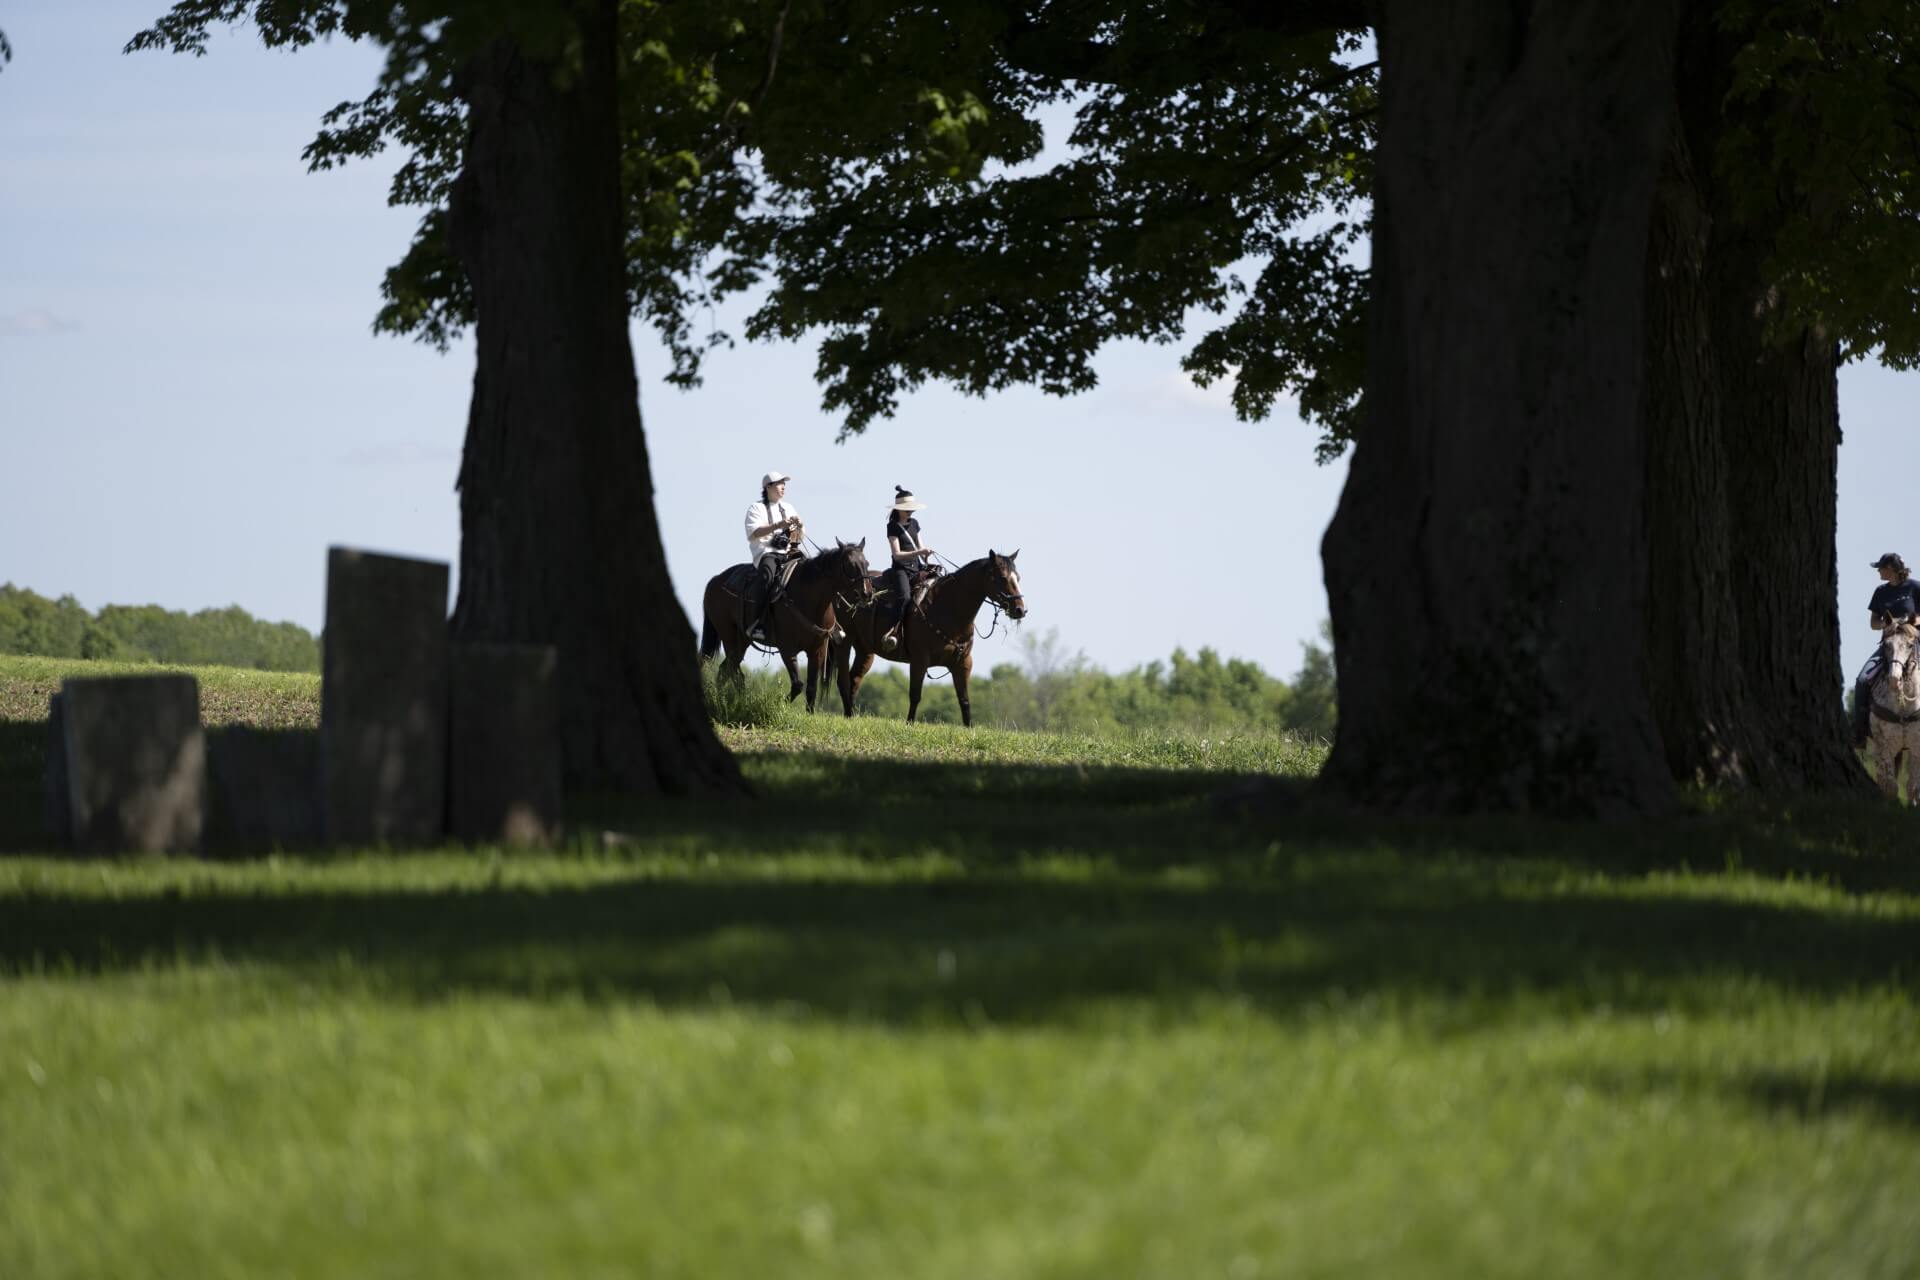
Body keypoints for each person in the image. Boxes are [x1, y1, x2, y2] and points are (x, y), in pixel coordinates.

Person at [1853, 552, 1920, 745]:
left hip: (1914, 642)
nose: (1879, 572)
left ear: (1891, 569)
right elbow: (1873, 623)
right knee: (1862, 680)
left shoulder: (1915, 587)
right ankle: (1859, 733)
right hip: (1890, 646)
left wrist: (1913, 620)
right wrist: (1886, 624)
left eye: (1880, 568)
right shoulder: (1880, 592)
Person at [743, 471, 802, 639]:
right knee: (767, 577)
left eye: (784, 483)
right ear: (768, 487)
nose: (783, 486)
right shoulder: (756, 507)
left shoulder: (789, 507)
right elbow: (754, 533)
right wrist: (778, 525)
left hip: (789, 552)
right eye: (779, 483)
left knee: (813, 571)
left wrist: (799, 527)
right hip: (767, 553)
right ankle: (757, 624)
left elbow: (800, 535)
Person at [876, 486, 935, 656]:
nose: (910, 512)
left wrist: (926, 555)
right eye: (907, 510)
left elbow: (921, 547)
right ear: (899, 510)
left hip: (917, 568)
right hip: (900, 569)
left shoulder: (915, 524)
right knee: (904, 597)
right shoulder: (892, 527)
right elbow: (897, 554)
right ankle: (893, 631)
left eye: (911, 509)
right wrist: (919, 552)